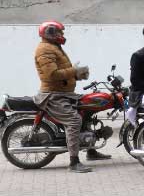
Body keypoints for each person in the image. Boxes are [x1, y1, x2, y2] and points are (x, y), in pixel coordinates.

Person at [33, 20, 109, 173]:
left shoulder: (54, 47)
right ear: (50, 33)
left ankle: (91, 150)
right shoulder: (44, 49)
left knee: (87, 109)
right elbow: (52, 74)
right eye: (59, 32)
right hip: (53, 95)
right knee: (74, 120)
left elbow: (62, 74)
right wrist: (74, 71)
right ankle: (74, 162)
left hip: (64, 93)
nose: (62, 34)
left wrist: (77, 75)